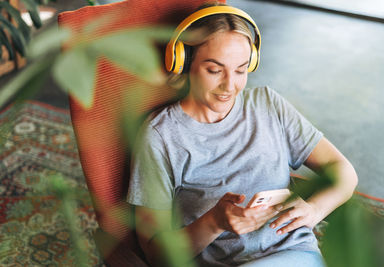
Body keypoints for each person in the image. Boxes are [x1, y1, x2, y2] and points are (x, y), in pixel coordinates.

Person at [127, 2, 358, 267]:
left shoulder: (269, 105)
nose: (229, 85)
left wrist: (316, 209)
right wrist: (214, 222)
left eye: (240, 70)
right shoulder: (161, 136)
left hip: (294, 255)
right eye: (214, 70)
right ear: (184, 62)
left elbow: (342, 170)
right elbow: (155, 254)